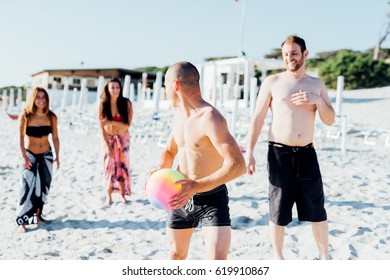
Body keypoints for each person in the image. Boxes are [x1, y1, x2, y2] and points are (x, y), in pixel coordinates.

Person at [245, 35, 335, 260]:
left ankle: (324, 257)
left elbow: (330, 119)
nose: (289, 58)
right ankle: (279, 257)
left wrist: (317, 99)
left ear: (305, 54)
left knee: (316, 206)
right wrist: (249, 152)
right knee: (278, 206)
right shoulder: (273, 82)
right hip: (279, 153)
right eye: (285, 54)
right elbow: (257, 118)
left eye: (294, 53)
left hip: (307, 152)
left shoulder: (316, 84)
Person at [154, 61, 246, 260]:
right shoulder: (179, 115)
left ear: (175, 85)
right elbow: (169, 152)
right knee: (176, 255)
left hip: (212, 198)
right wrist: (158, 178)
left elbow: (238, 165)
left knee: (216, 261)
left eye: (166, 85)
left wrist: (197, 186)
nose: (165, 90)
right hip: (179, 196)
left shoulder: (211, 118)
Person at [16, 87, 60, 233]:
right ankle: (21, 221)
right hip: (30, 155)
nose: (41, 100)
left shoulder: (51, 116)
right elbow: (20, 138)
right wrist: (24, 156)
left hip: (47, 155)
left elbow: (55, 137)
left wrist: (57, 155)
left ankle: (38, 216)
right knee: (27, 187)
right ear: (33, 99)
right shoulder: (26, 116)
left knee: (43, 187)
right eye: (38, 97)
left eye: (44, 97)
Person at [98, 77, 133, 205]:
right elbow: (101, 126)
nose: (115, 90)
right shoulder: (103, 104)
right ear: (107, 89)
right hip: (108, 138)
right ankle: (109, 197)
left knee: (122, 166)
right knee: (109, 166)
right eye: (112, 87)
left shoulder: (126, 103)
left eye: (117, 87)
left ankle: (123, 195)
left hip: (123, 139)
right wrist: (107, 145)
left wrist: (110, 122)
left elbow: (127, 125)